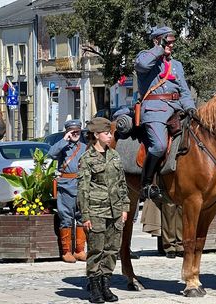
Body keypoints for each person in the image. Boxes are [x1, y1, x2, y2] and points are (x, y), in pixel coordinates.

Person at [134, 26, 197, 202]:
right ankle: (146, 184)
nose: (171, 45)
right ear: (157, 41)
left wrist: (190, 107)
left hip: (177, 109)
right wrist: (159, 49)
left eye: (171, 42)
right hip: (155, 110)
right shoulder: (145, 57)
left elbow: (184, 91)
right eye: (167, 41)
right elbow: (142, 65)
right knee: (160, 146)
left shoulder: (176, 65)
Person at [77, 117, 130, 303]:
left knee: (112, 250)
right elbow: (83, 189)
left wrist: (125, 207)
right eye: (107, 133)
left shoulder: (114, 155)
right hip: (96, 211)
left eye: (110, 133)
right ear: (97, 135)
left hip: (115, 211)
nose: (110, 136)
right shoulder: (87, 159)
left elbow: (122, 184)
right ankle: (95, 287)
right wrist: (85, 215)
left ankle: (106, 285)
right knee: (96, 250)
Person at [48, 119, 87, 263]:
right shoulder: (62, 146)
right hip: (66, 185)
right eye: (72, 131)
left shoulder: (84, 147)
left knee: (82, 217)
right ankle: (66, 251)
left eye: (77, 131)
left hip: (82, 185)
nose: (75, 133)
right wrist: (64, 139)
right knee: (66, 217)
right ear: (67, 131)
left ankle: (80, 250)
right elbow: (51, 154)